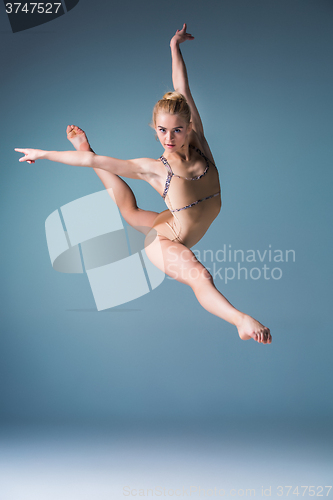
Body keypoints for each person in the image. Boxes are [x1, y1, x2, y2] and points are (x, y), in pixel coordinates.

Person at [16, 24, 271, 344]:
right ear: (156, 129)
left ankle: (88, 148)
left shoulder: (200, 142)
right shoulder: (154, 169)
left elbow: (182, 87)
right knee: (199, 275)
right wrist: (44, 153)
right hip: (166, 240)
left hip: (172, 222)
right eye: (162, 131)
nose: (169, 138)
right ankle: (240, 321)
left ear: (188, 126)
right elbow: (91, 164)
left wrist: (174, 47)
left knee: (131, 211)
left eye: (177, 130)